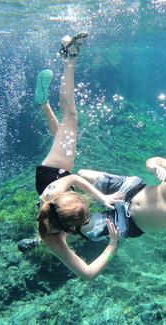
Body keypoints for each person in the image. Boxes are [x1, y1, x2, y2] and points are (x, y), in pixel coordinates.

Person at [18, 32, 124, 281]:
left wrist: (103, 199)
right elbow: (86, 273)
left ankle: (69, 58)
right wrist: (110, 244)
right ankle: (43, 105)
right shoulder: (53, 239)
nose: (89, 216)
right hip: (46, 194)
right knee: (63, 139)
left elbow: (74, 178)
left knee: (71, 119)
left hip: (50, 176)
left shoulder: (55, 193)